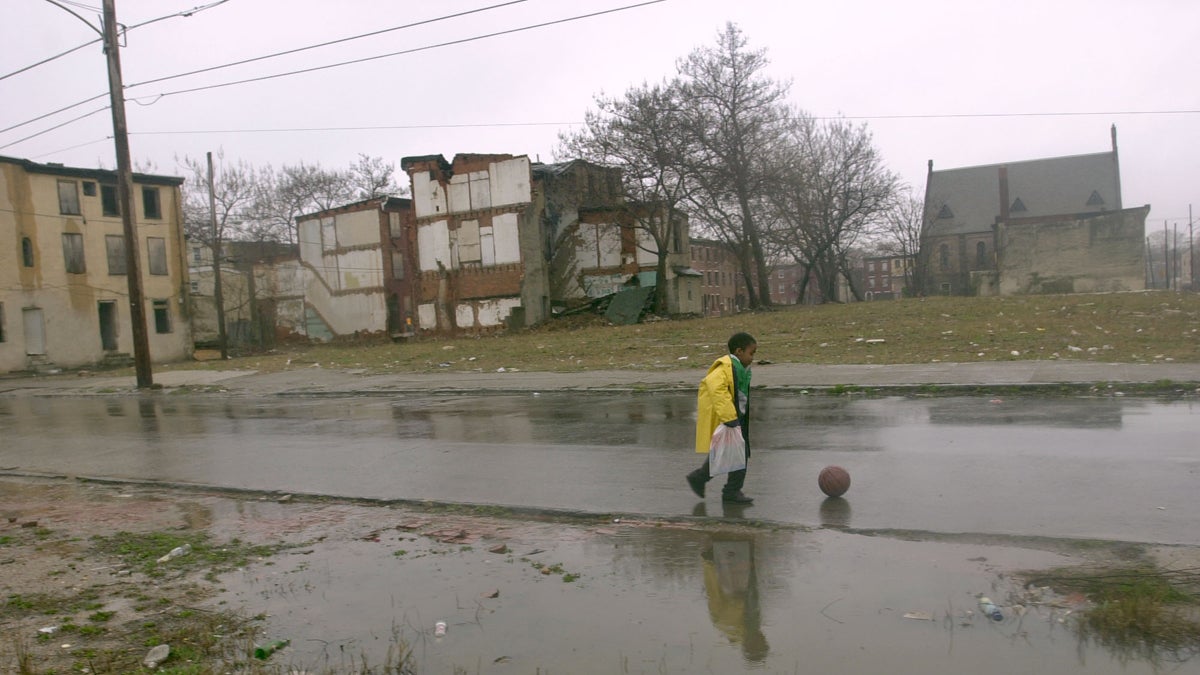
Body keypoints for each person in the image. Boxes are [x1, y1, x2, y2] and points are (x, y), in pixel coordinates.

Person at [686, 332, 756, 504]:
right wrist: (729, 417)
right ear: (739, 351)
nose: (753, 358)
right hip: (730, 419)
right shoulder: (726, 367)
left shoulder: (739, 368)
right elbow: (715, 388)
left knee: (732, 453)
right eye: (751, 353)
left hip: (737, 418)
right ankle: (727, 489)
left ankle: (707, 481)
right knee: (736, 454)